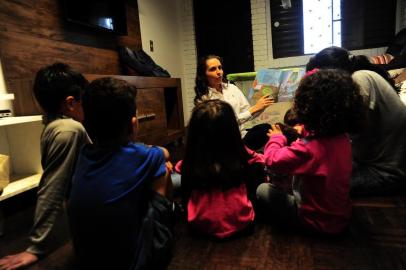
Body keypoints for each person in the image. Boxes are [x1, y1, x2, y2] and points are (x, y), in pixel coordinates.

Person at [68, 77, 174, 270]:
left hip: (86, 259)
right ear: (133, 124)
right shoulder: (144, 155)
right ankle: (161, 236)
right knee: (164, 168)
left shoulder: (84, 154)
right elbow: (165, 153)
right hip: (134, 262)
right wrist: (150, 149)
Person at [0, 63, 90, 270]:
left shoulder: (54, 124)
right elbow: (52, 186)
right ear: (70, 103)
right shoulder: (69, 129)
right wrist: (36, 247)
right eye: (84, 101)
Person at [257, 69, 364, 234]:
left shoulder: (308, 148)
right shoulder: (343, 138)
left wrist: (277, 138)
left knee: (262, 190)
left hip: (314, 223)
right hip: (341, 217)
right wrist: (304, 131)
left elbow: (272, 161)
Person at [306, 46, 406, 196]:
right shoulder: (361, 77)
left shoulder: (360, 79)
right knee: (316, 169)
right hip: (369, 161)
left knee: (318, 185)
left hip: (386, 172)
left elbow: (346, 126)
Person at [175, 99, 266, 239]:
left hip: (200, 226)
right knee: (257, 168)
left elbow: (180, 168)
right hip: (241, 224)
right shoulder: (240, 154)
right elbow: (260, 160)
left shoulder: (190, 160)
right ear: (233, 131)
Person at [194, 55, 274, 149]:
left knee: (267, 128)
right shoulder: (203, 99)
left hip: (241, 136)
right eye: (213, 69)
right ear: (204, 75)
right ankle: (241, 154)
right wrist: (253, 110)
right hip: (221, 142)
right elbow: (223, 126)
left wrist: (262, 105)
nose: (219, 72)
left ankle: (242, 153)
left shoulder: (232, 88)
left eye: (220, 68)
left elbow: (248, 112)